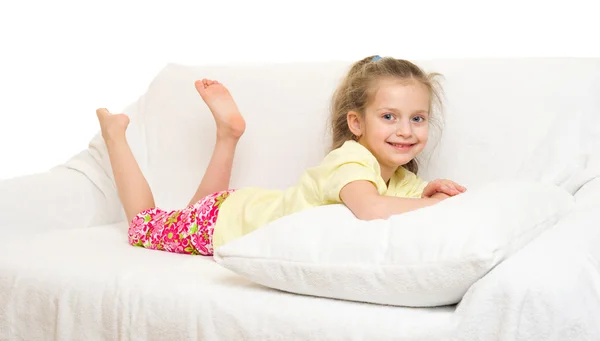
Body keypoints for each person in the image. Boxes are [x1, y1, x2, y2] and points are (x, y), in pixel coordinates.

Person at [95, 55, 466, 256]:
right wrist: (435, 206)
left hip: (240, 208)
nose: (406, 130)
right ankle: (114, 135)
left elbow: (405, 200)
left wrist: (430, 191)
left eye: (418, 118)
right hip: (224, 225)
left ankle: (228, 135)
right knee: (143, 226)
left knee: (194, 209)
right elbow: (370, 208)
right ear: (355, 123)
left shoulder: (398, 174)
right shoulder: (350, 161)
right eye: (389, 117)